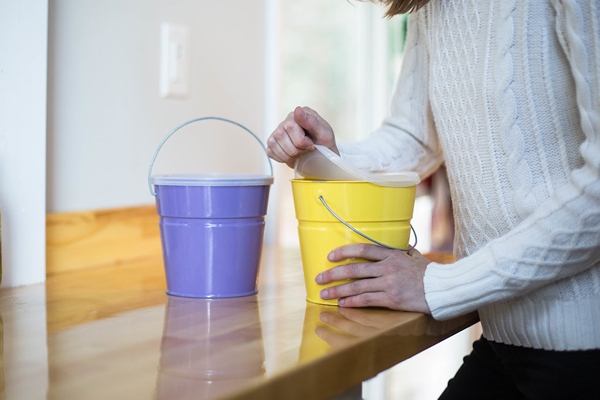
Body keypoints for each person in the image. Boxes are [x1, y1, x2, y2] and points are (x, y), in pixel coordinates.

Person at [266, 0, 600, 398]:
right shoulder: (428, 4)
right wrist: (329, 157)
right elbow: (415, 136)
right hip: (505, 337)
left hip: (585, 348)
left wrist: (440, 286)